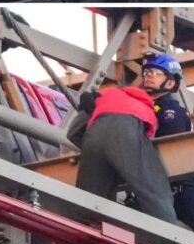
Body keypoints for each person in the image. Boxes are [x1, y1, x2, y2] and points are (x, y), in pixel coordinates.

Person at [70, 76, 178, 227]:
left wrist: (94, 148)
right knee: (154, 189)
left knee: (88, 201)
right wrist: (119, 159)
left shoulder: (105, 96)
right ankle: (170, 238)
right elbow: (142, 144)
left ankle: (81, 240)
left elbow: (72, 133)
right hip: (127, 131)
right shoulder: (146, 106)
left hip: (92, 136)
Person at [131, 52, 194, 237]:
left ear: (170, 82)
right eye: (147, 72)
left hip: (181, 192)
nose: (149, 75)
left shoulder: (170, 111)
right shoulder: (141, 107)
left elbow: (168, 148)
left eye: (157, 72)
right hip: (156, 190)